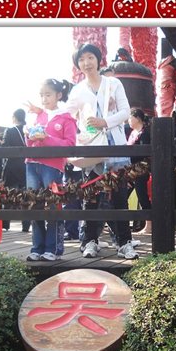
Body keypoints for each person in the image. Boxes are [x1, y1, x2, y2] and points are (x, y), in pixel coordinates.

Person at [63, 43, 137, 260]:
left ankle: (124, 243)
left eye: (90, 57)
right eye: (81, 59)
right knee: (91, 196)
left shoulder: (113, 83)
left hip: (115, 147)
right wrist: (45, 115)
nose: (86, 63)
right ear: (78, 64)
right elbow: (66, 116)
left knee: (120, 197)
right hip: (92, 149)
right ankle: (90, 241)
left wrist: (105, 121)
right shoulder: (77, 90)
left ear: (98, 59)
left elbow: (126, 111)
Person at [25, 79, 77, 261]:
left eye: (48, 94)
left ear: (58, 95)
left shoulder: (66, 118)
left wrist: (46, 138)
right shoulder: (38, 116)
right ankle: (37, 248)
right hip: (31, 163)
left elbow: (70, 145)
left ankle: (53, 248)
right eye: (41, 95)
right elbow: (29, 143)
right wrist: (29, 136)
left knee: (53, 206)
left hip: (52, 166)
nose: (44, 99)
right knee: (34, 206)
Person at [1, 109, 31, 233]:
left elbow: (4, 148)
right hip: (26, 165)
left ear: (14, 117)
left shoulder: (10, 130)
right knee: (26, 196)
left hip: (12, 166)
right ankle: (26, 225)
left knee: (8, 195)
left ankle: (5, 224)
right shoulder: (29, 129)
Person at [126, 108, 152, 234]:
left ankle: (149, 225)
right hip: (130, 170)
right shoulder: (132, 133)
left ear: (137, 118)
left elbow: (145, 152)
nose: (128, 120)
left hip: (141, 169)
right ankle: (123, 223)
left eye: (130, 117)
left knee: (142, 195)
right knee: (123, 194)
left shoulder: (145, 133)